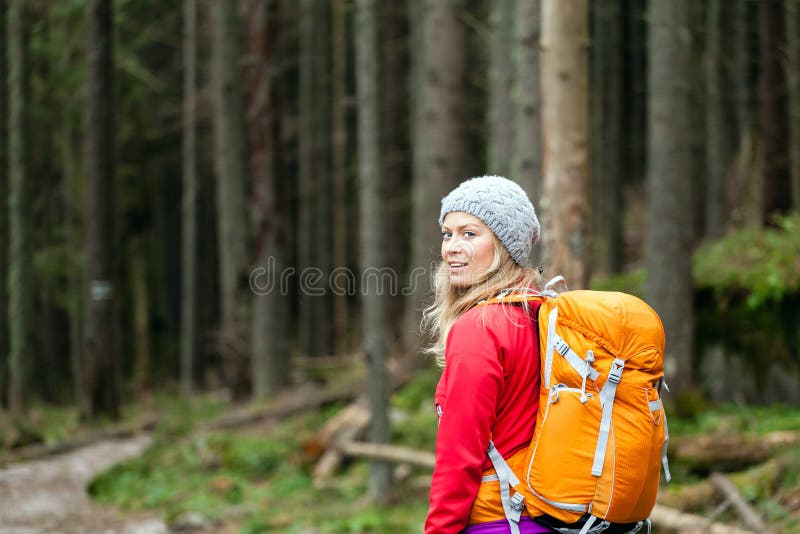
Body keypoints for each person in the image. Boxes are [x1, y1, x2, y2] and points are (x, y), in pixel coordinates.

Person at [422, 176, 555, 534]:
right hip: (546, 518)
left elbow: (459, 457)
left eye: (470, 234)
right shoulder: (538, 313)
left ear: (504, 245)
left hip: (499, 521)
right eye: (447, 234)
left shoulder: (480, 328)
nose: (451, 247)